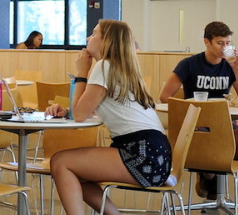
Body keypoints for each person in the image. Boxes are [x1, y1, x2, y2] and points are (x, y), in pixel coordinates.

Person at [44, 20, 169, 215]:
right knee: (77, 172)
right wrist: (67, 111)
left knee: (61, 162)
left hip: (142, 153)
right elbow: (88, 109)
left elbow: (80, 115)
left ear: (107, 42)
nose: (88, 38)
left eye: (94, 34)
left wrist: (81, 72)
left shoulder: (104, 66)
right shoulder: (119, 68)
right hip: (156, 155)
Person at [157, 21, 238, 199]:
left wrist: (237, 69)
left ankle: (208, 175)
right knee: (208, 145)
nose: (225, 47)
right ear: (207, 42)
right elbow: (164, 96)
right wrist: (189, 112)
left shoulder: (232, 65)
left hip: (223, 122)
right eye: (220, 43)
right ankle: (209, 178)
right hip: (196, 123)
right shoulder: (189, 64)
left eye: (228, 43)